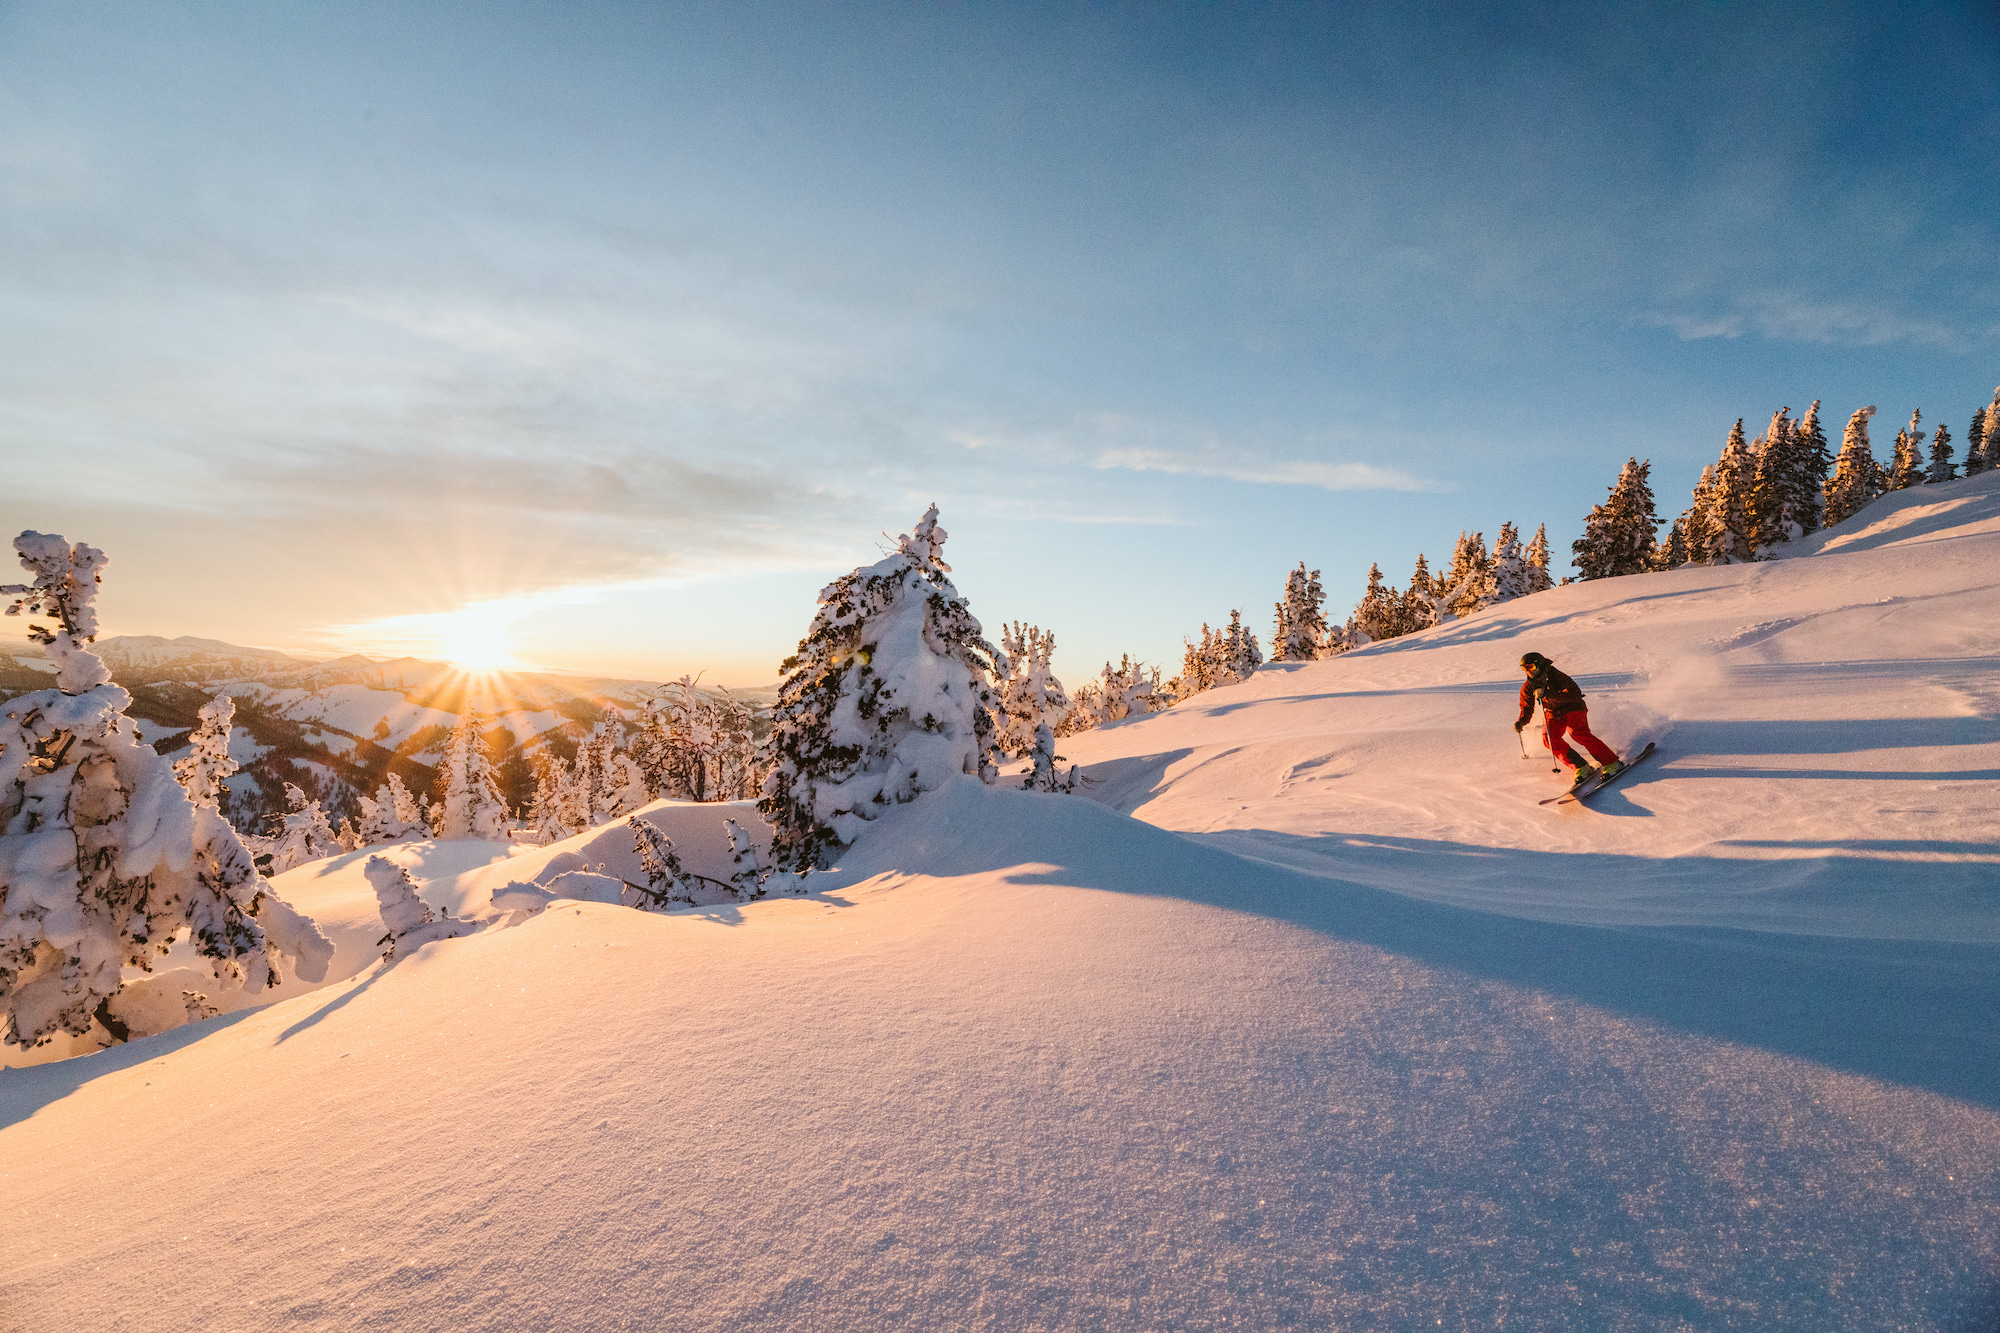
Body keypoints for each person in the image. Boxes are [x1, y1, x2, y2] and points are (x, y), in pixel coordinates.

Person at [1514, 652, 1624, 787]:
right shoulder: (1528, 687)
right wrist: (1521, 721)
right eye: (1524, 668)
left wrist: (1549, 695)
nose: (1528, 672)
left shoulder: (1555, 676)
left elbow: (1574, 693)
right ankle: (1581, 766)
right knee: (1549, 739)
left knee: (1578, 733)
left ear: (1540, 665)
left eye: (1530, 667)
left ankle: (1612, 762)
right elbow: (1526, 707)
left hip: (1573, 707)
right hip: (1554, 712)